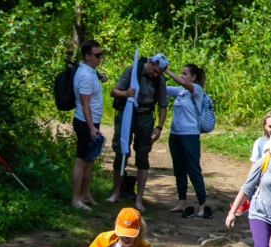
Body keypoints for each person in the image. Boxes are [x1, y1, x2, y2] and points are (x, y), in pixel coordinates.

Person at [107, 54, 170, 212]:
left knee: (143, 155)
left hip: (145, 118)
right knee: (121, 152)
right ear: (151, 62)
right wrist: (126, 94)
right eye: (155, 71)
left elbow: (163, 105)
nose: (155, 75)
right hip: (126, 114)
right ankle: (116, 193)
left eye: (159, 73)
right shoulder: (132, 70)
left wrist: (159, 127)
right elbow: (114, 91)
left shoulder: (159, 80)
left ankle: (139, 199)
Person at [164, 64, 212, 218]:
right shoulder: (180, 92)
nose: (182, 76)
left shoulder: (196, 90)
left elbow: (183, 83)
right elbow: (163, 89)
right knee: (179, 169)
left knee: (193, 169)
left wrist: (166, 70)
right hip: (175, 134)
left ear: (193, 77)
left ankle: (202, 206)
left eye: (185, 74)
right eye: (181, 73)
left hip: (190, 135)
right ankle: (182, 203)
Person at [71, 40, 107, 212]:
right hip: (86, 123)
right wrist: (92, 128)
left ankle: (86, 195)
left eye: (101, 54)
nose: (101, 58)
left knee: (89, 159)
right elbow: (85, 105)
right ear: (87, 56)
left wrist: (101, 76)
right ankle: (75, 199)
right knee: (81, 160)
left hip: (92, 121)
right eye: (98, 55)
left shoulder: (90, 70)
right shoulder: (85, 75)